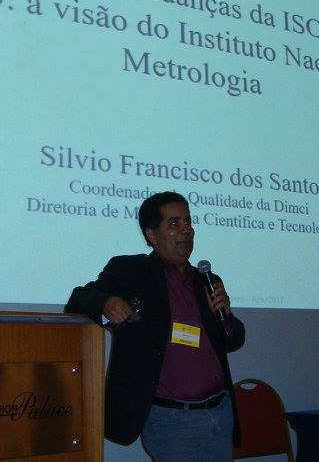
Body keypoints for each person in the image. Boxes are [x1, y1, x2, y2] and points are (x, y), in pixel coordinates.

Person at [65, 191, 245, 461]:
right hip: (170, 421)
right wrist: (105, 302)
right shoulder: (130, 270)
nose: (185, 230)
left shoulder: (206, 280)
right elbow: (78, 299)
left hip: (219, 414)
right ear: (151, 234)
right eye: (174, 223)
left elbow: (233, 341)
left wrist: (226, 314)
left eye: (188, 221)